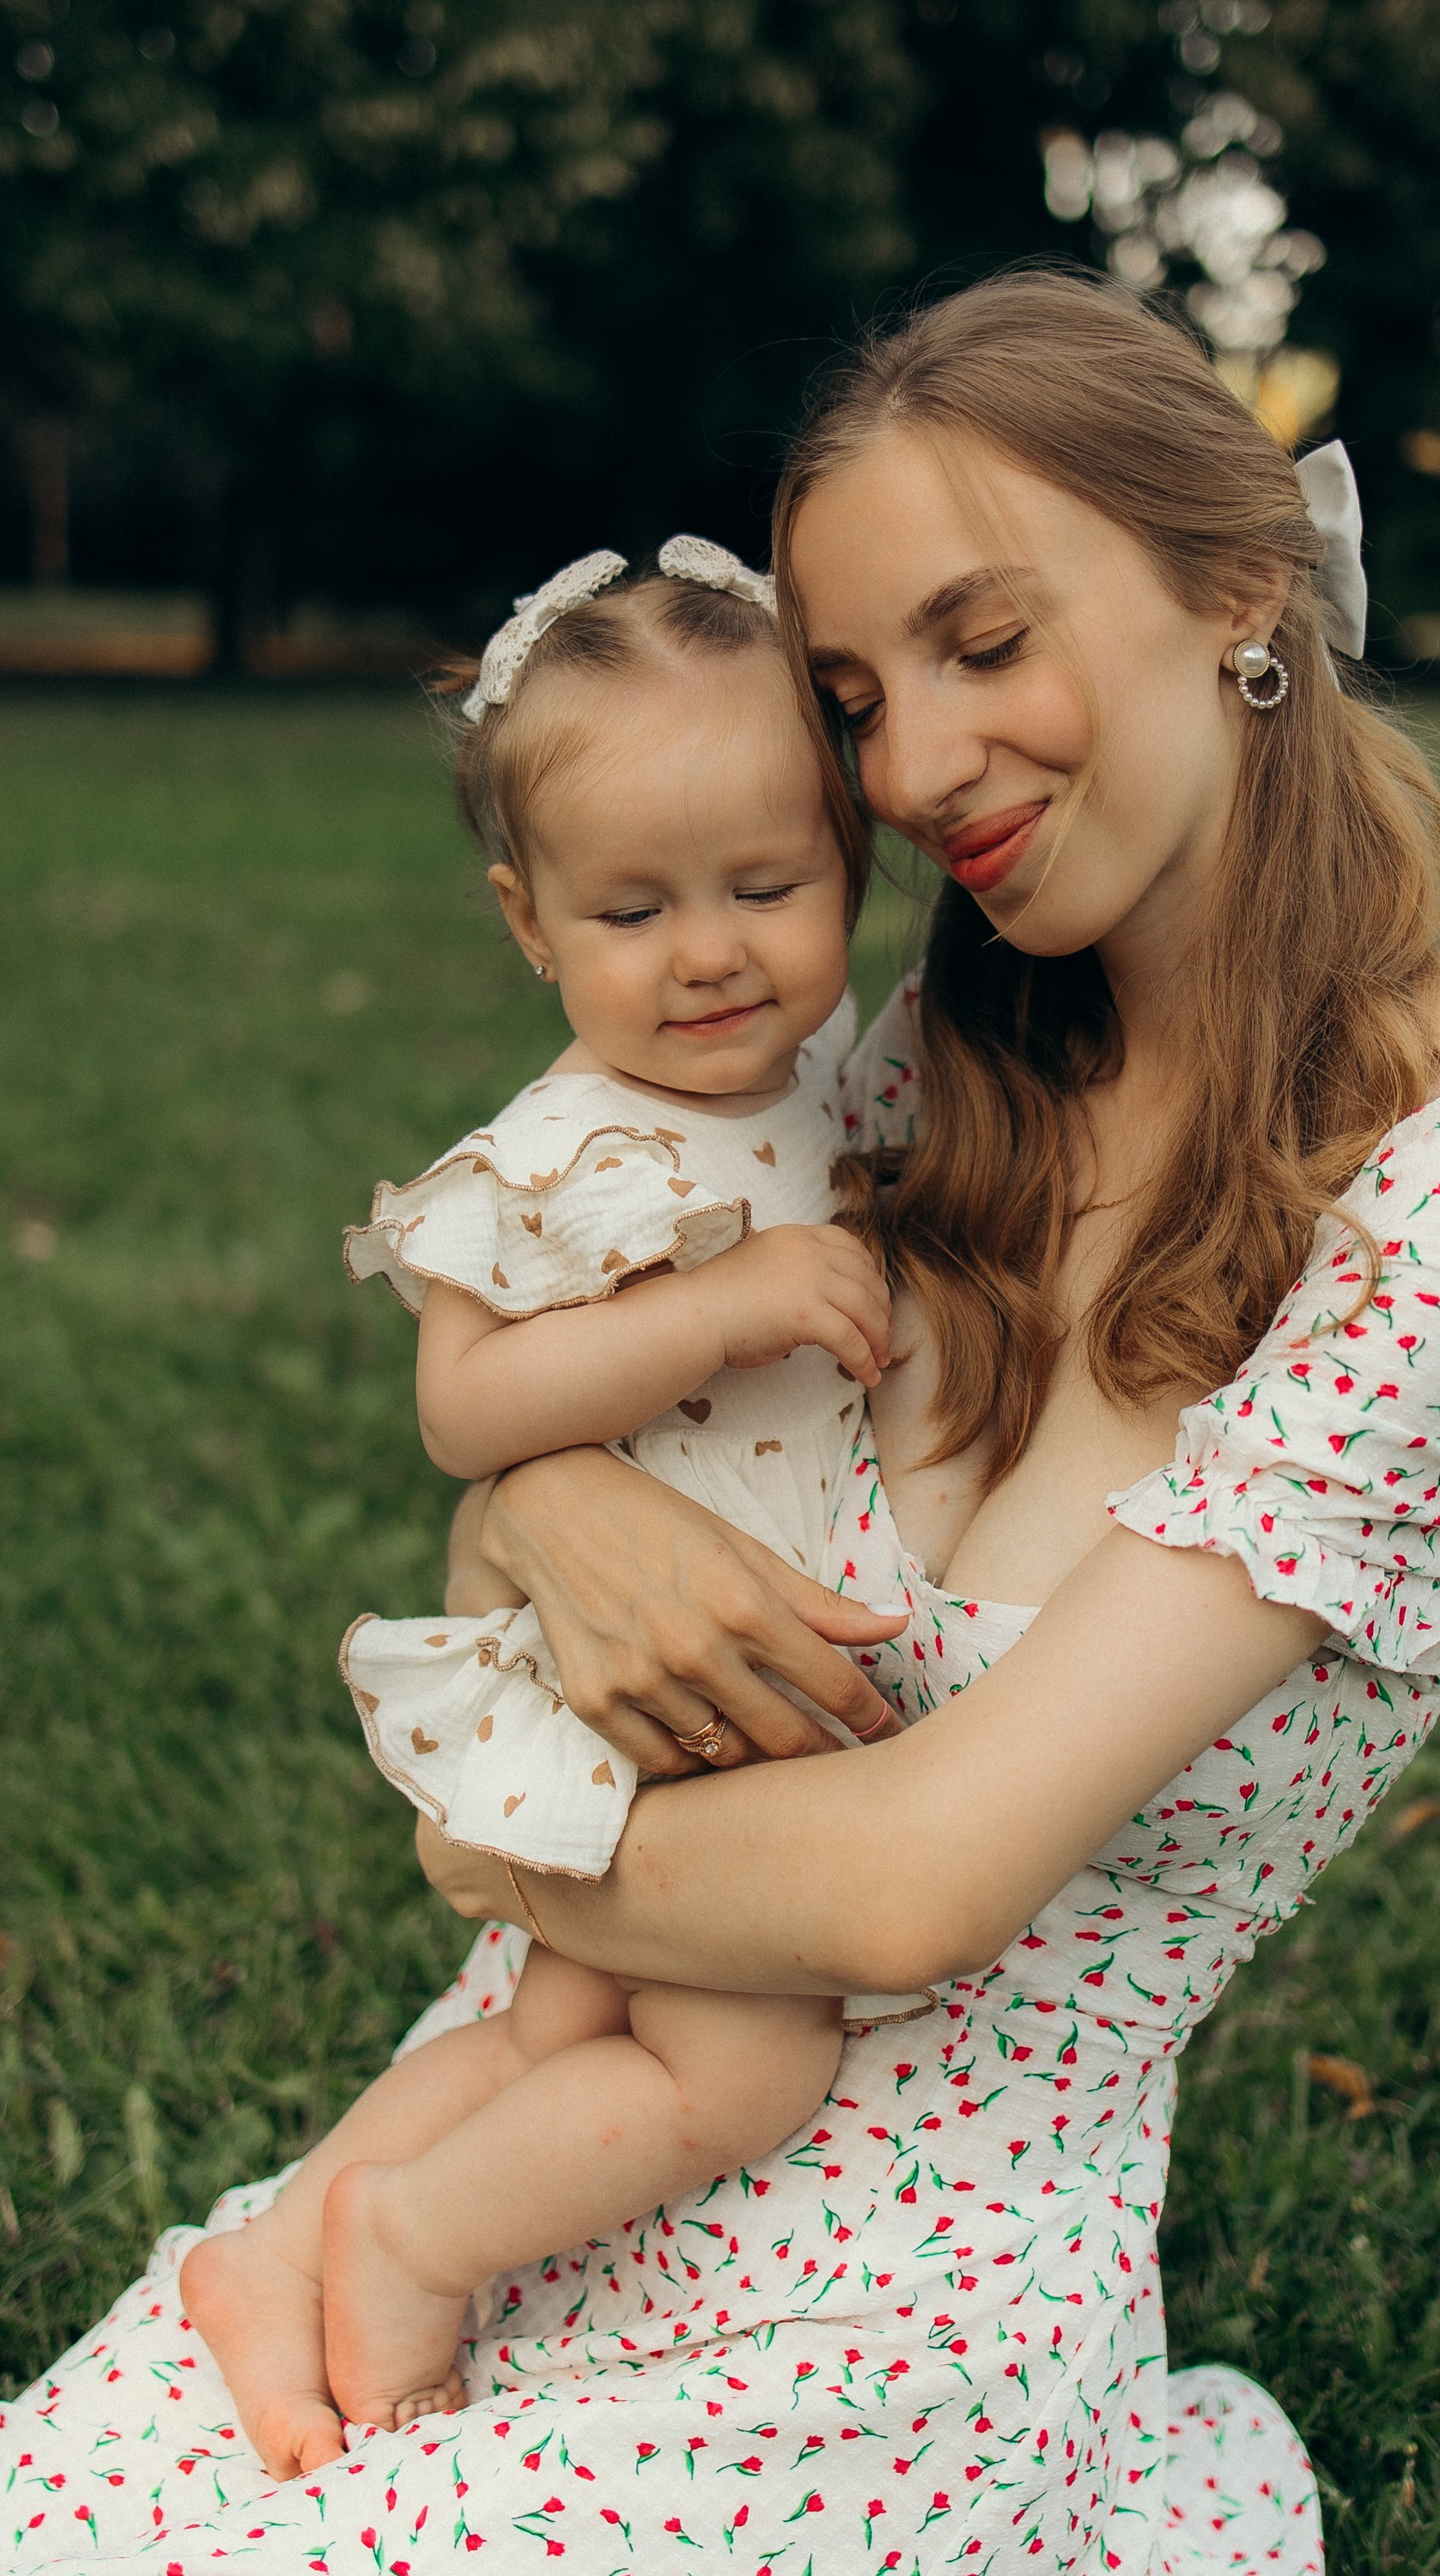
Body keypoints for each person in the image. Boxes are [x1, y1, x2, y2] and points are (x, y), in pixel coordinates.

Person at [1, 272, 1440, 2576]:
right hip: (520, 2124)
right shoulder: (927, 1069)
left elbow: (912, 1879)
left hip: (896, 2313)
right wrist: (556, 1504)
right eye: (860, 697)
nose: (907, 772)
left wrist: (496, 1838)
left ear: (1241, 584)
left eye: (988, 645)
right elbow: (555, 1488)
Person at [180, 535, 930, 2482]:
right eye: (631, 907)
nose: (708, 953)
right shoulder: (562, 1149)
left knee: (552, 2031)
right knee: (742, 2059)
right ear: (529, 925)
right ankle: (413, 2242)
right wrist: (728, 1300)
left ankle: (274, 2254)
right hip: (636, 1684)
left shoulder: (827, 1077)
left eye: (770, 887)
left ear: (850, 867)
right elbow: (467, 1405)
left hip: (720, 1675)